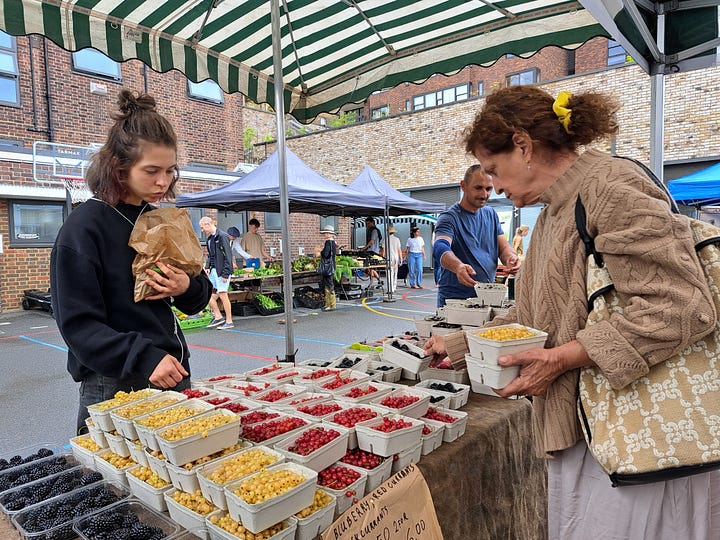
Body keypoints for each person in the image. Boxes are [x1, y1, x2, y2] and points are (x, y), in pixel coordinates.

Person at [425, 85, 719, 538]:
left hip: (635, 434)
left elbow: (680, 307)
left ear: (523, 146)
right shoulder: (553, 214)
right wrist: (459, 344)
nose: (496, 186)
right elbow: (534, 314)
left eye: (494, 169)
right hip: (591, 427)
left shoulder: (610, 186)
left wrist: (561, 359)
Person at [50, 89, 213, 432]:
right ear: (118, 167)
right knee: (111, 483)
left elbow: (198, 297)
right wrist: (143, 357)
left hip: (173, 371)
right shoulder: (84, 228)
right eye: (152, 170)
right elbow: (79, 326)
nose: (163, 181)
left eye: (170, 171)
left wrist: (186, 286)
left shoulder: (158, 220)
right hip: (114, 383)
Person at [432, 164, 520, 307]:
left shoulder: (491, 214)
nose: (484, 194)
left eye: (488, 189)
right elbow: (440, 247)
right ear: (463, 186)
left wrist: (511, 258)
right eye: (478, 188)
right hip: (455, 300)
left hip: (487, 296)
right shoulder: (449, 217)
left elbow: (503, 248)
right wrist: (458, 266)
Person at [199, 216, 234, 330]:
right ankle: (218, 316)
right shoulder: (210, 239)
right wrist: (208, 266)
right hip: (213, 270)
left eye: (202, 227)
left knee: (223, 295)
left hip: (222, 270)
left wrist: (225, 273)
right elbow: (210, 255)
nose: (202, 230)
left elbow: (228, 256)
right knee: (207, 293)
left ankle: (229, 321)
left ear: (208, 224)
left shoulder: (223, 236)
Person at [316, 225, 338, 311]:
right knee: (329, 284)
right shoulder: (333, 243)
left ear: (329, 234)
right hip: (331, 266)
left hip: (327, 267)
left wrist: (320, 251)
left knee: (329, 285)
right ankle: (329, 304)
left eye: (325, 233)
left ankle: (331, 305)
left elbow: (326, 254)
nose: (324, 234)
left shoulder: (328, 242)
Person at [362, 217, 383, 287]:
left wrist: (364, 248)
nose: (367, 225)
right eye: (366, 224)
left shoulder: (374, 231)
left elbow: (372, 241)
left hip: (373, 252)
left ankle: (371, 285)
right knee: (371, 268)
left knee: (370, 268)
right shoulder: (372, 230)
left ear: (372, 222)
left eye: (368, 223)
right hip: (372, 250)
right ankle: (379, 281)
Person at [387, 225, 403, 293]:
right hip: (396, 257)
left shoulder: (386, 239)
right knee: (395, 272)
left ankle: (390, 288)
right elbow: (399, 250)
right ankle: (394, 286)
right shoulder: (397, 239)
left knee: (389, 272)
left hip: (389, 258)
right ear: (394, 232)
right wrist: (401, 259)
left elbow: (383, 250)